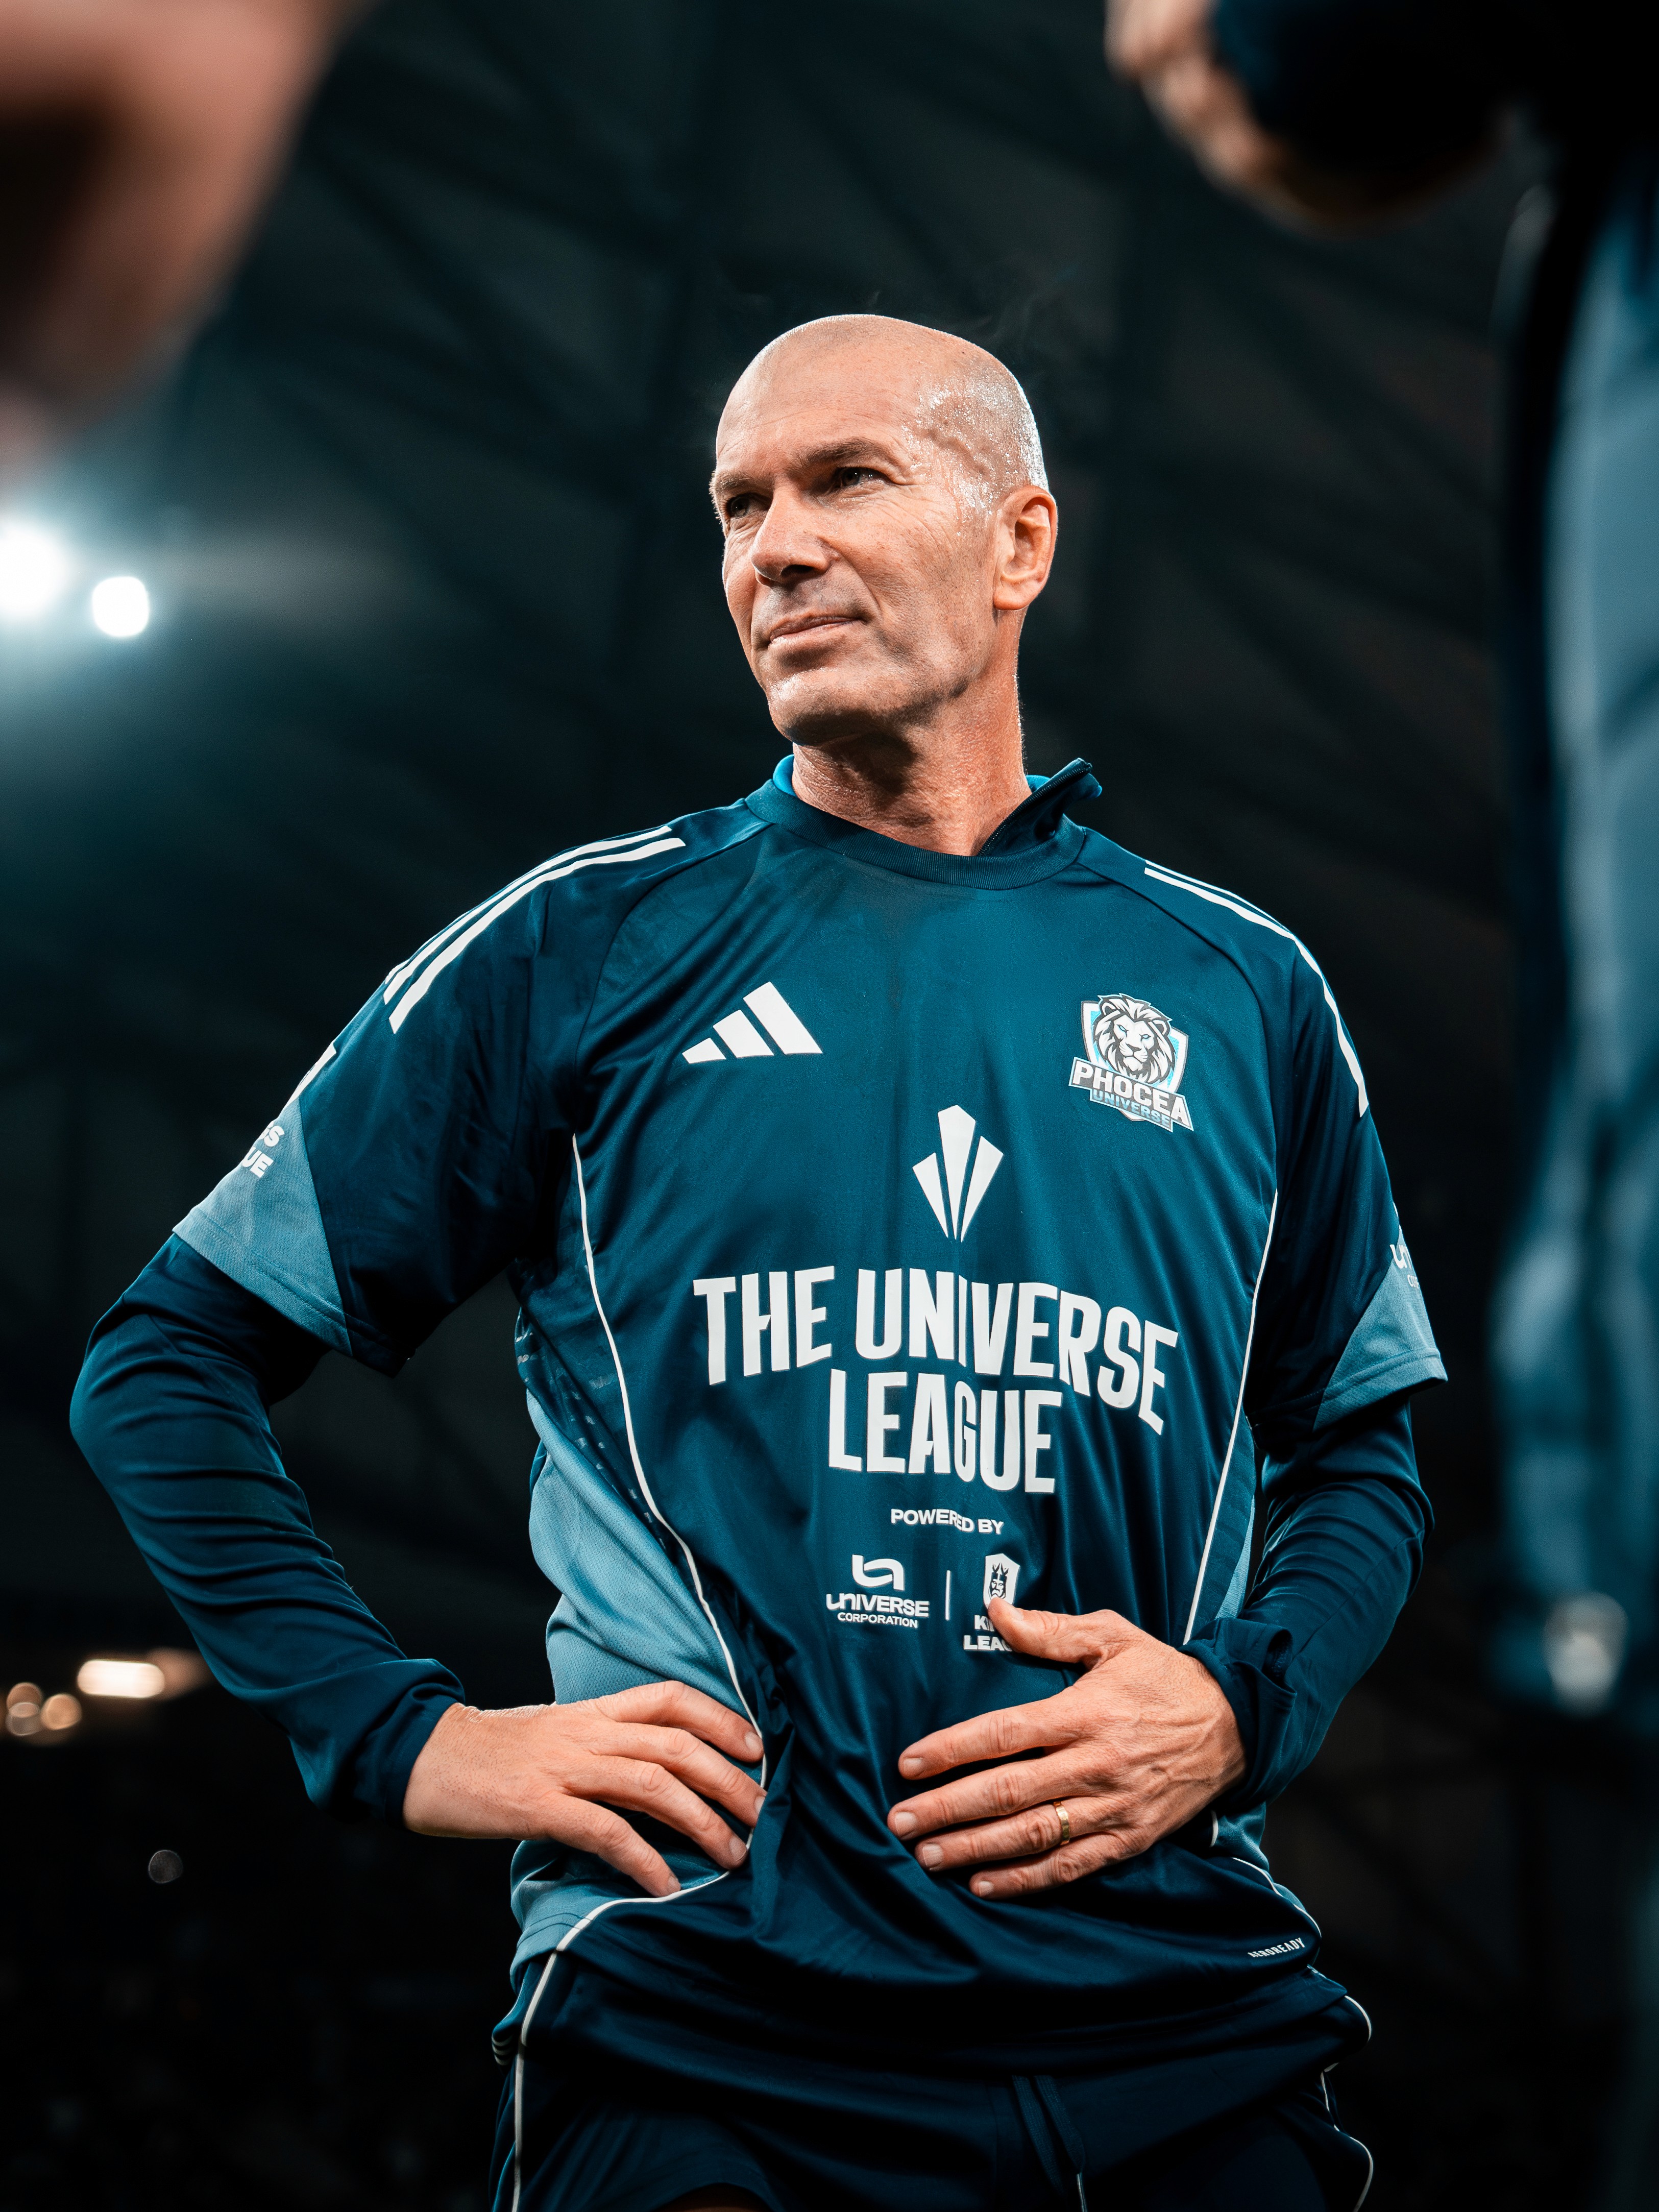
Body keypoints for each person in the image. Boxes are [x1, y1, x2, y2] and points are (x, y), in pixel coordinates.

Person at [71, 314, 1443, 2210]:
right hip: (708, 2019)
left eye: (845, 480)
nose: (775, 548)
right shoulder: (580, 948)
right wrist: (402, 1734)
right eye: (738, 506)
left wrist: (1237, 1707)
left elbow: (1360, 1451)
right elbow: (162, 1360)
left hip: (1176, 2023)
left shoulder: (1239, 990)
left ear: (1020, 541)